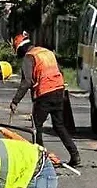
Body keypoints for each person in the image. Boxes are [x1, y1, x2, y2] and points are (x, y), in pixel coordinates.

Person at [9, 32, 81, 167]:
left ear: (20, 48)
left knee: (37, 127)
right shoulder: (46, 52)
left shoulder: (29, 57)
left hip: (45, 93)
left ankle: (40, 159)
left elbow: (27, 81)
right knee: (59, 125)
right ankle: (75, 155)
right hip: (59, 90)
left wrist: (15, 101)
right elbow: (59, 71)